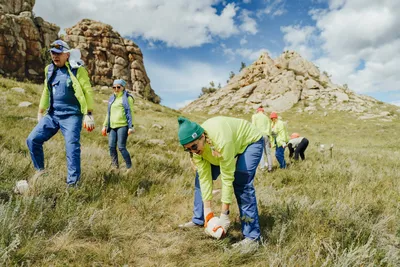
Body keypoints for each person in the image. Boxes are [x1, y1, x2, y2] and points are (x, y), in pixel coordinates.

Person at [177, 116, 263, 248]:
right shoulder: (196, 151)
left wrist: (224, 214)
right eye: (188, 149)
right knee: (200, 179)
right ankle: (201, 220)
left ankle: (252, 237)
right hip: (219, 147)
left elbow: (227, 178)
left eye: (194, 146)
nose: (193, 151)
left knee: (241, 183)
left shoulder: (222, 141)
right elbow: (205, 179)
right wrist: (208, 213)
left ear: (202, 137)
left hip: (249, 141)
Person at [26, 40, 95, 187]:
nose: (55, 56)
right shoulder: (49, 69)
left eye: (58, 53)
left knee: (71, 147)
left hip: (72, 116)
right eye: (52, 53)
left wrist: (88, 113)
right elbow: (46, 90)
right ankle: (41, 173)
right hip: (52, 115)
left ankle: (73, 185)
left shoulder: (78, 70)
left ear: (67, 54)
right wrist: (40, 111)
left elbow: (87, 91)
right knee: (32, 140)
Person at [101, 79, 134, 171]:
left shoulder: (128, 98)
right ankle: (115, 167)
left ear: (123, 87)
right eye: (114, 87)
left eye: (118, 87)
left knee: (121, 147)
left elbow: (130, 113)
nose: (116, 89)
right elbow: (108, 113)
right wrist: (104, 125)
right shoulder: (112, 98)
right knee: (111, 147)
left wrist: (131, 126)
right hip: (112, 126)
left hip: (123, 125)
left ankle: (129, 167)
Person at [251, 106, 273, 172]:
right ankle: (270, 168)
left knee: (261, 153)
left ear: (257, 111)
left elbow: (253, 126)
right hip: (266, 136)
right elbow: (269, 129)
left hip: (259, 135)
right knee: (268, 153)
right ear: (263, 111)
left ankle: (263, 168)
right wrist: (269, 139)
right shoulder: (267, 118)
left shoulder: (254, 116)